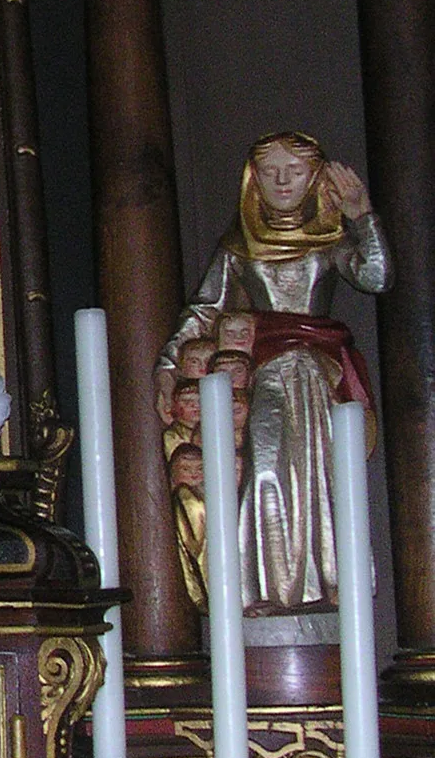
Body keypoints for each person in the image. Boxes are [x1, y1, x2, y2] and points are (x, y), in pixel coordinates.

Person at [155, 131, 391, 615]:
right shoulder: (238, 248)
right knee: (262, 472)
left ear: (316, 178)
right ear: (253, 179)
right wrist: (166, 366)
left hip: (317, 370)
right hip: (263, 372)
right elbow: (203, 311)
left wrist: (362, 216)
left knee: (325, 480)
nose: (282, 181)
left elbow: (376, 276)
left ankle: (327, 583)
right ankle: (260, 587)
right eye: (270, 171)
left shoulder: (329, 241)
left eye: (295, 171)